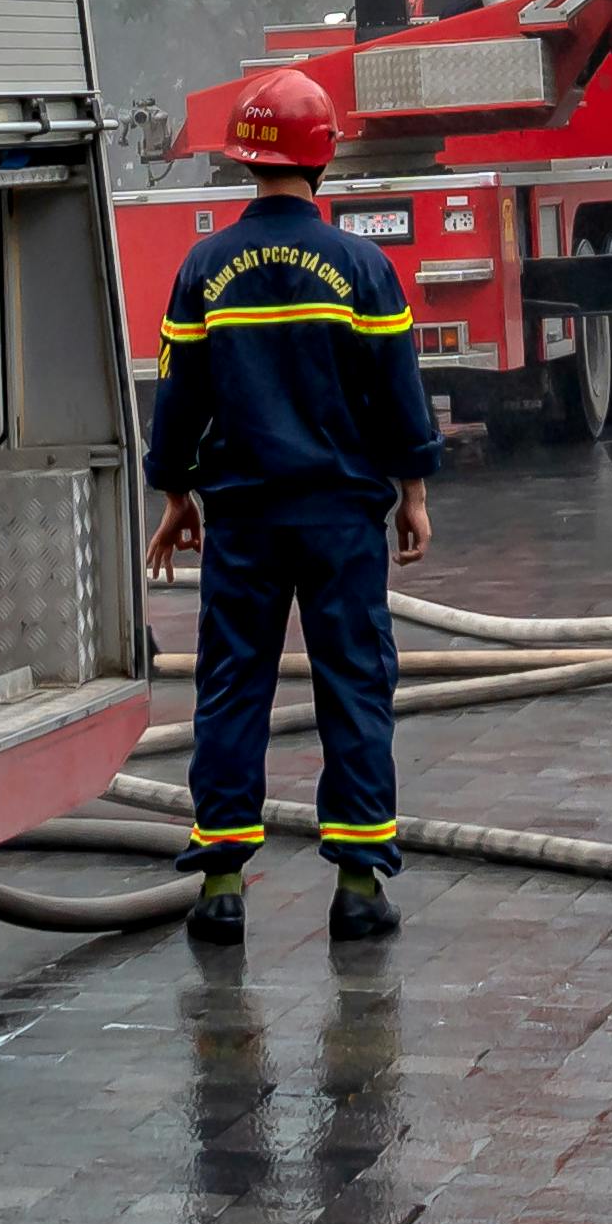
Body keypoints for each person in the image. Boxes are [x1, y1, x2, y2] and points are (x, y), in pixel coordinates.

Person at [143, 62, 439, 943]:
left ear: (242, 161)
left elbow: (177, 396)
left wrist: (174, 493)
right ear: (323, 161)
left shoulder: (204, 267)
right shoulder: (361, 266)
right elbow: (398, 393)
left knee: (233, 689)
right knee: (355, 685)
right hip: (343, 523)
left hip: (243, 521)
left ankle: (223, 884)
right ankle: (357, 884)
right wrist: (412, 491)